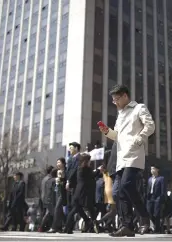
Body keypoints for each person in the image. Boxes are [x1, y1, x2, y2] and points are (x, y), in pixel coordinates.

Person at [99, 84, 155, 237]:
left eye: (117, 99)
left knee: (126, 185)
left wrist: (140, 139)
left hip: (134, 154)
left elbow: (150, 126)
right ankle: (127, 226)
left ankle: (144, 217)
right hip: (121, 157)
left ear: (125, 96)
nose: (115, 102)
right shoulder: (120, 114)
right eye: (113, 100)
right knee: (120, 192)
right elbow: (117, 136)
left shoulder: (139, 108)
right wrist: (107, 132)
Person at [64, 153, 100, 234]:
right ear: (86, 161)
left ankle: (68, 227)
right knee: (89, 208)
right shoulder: (86, 169)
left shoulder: (79, 168)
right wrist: (98, 170)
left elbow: (72, 177)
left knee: (76, 209)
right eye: (89, 161)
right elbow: (92, 176)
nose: (90, 162)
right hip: (84, 192)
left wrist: (68, 183)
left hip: (77, 191)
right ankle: (92, 223)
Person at [147, 165, 165, 233]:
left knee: (156, 214)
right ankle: (158, 226)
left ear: (157, 170)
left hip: (157, 197)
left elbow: (163, 189)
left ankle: (157, 229)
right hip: (150, 197)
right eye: (151, 169)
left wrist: (162, 198)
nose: (152, 170)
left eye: (153, 169)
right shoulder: (149, 179)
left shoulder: (161, 178)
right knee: (149, 213)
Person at [51, 158, 67, 233]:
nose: (57, 164)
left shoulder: (66, 171)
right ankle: (63, 226)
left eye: (59, 162)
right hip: (57, 191)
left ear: (63, 163)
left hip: (63, 192)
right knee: (59, 210)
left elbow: (65, 181)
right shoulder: (57, 171)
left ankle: (54, 227)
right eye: (57, 162)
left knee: (57, 208)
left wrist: (61, 179)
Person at [65, 142, 81, 213]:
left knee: (75, 204)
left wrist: (69, 181)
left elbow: (74, 170)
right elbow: (68, 171)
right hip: (69, 185)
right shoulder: (70, 159)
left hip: (76, 184)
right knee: (69, 205)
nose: (69, 150)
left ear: (76, 148)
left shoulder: (80, 158)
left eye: (71, 148)